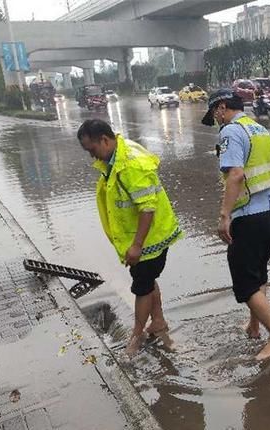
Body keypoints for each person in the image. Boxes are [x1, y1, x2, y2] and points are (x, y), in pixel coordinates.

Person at [77, 119, 182, 357]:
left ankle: (136, 335)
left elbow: (147, 208)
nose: (92, 157)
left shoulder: (129, 165)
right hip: (146, 238)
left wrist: (136, 246)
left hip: (148, 240)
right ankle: (158, 321)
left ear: (104, 140)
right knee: (147, 279)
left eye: (92, 150)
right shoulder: (116, 158)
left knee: (141, 287)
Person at [201, 89, 270, 361]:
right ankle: (255, 325)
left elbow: (236, 175)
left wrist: (224, 215)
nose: (216, 119)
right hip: (269, 217)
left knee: (244, 283)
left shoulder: (231, 132)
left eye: (215, 113)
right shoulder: (260, 130)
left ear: (222, 107)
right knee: (258, 274)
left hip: (248, 219)